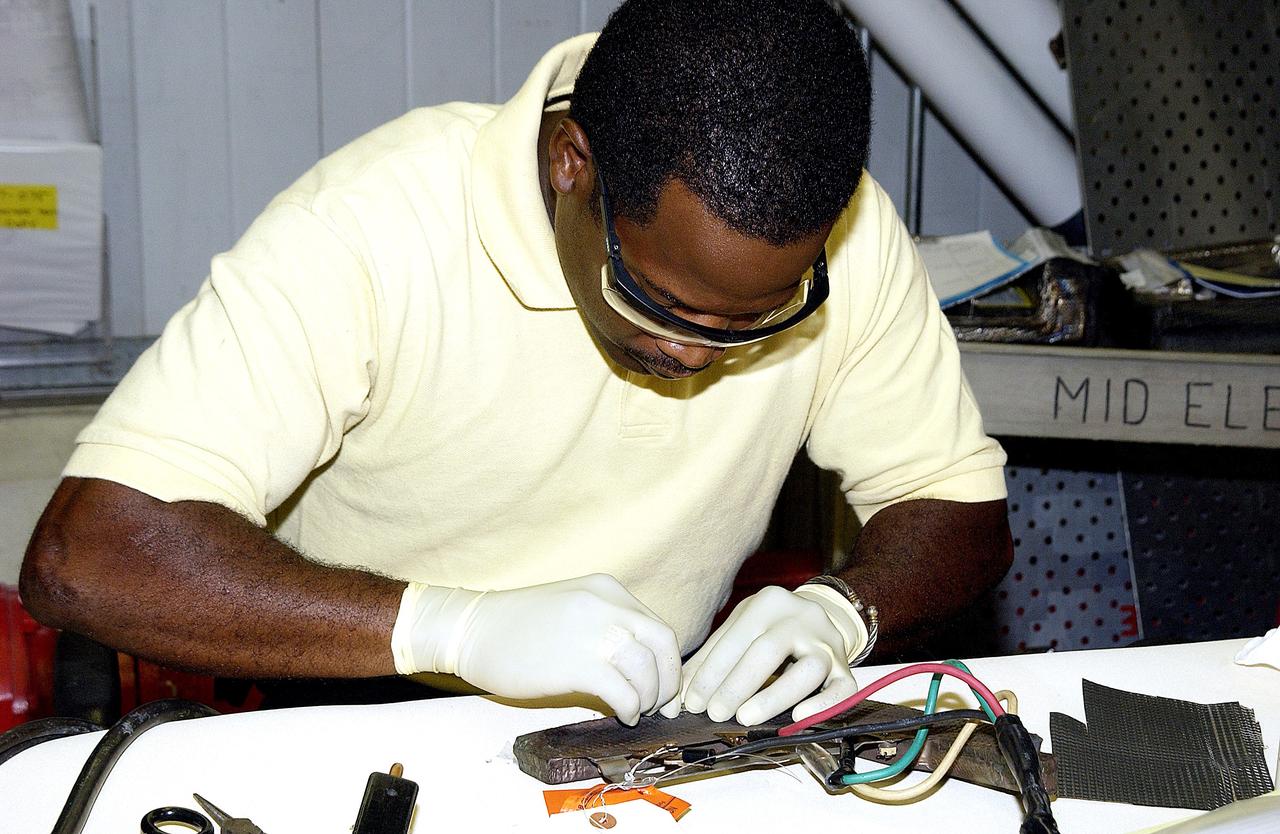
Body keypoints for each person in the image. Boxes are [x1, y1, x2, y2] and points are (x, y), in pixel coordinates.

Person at [20, 0, 1011, 728]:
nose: (692, 353)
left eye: (752, 324)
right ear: (566, 164)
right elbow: (87, 557)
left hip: (651, 711)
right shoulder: (370, 228)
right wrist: (453, 633)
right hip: (345, 691)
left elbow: (952, 505)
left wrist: (844, 609)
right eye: (658, 302)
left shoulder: (845, 238)